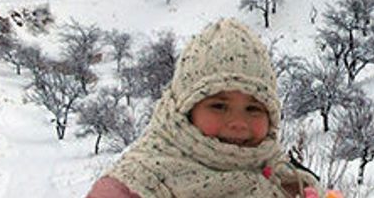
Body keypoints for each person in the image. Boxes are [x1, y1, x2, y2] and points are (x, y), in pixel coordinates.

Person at [86, 18, 325, 198]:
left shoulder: (285, 177)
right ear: (185, 108)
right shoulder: (133, 186)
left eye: (253, 109)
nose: (238, 123)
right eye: (219, 106)